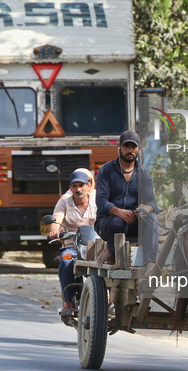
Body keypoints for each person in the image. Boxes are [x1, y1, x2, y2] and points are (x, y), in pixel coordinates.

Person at [95, 130, 159, 277]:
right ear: (119, 147)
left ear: (138, 149)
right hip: (109, 224)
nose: (130, 150)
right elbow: (101, 202)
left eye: (133, 147)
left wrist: (145, 208)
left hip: (134, 223)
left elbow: (152, 203)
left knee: (153, 217)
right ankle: (111, 249)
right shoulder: (106, 170)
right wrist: (119, 212)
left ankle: (151, 263)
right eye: (126, 146)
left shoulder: (144, 174)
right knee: (117, 222)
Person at [49, 170, 96, 318]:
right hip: (72, 246)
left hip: (96, 247)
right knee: (66, 260)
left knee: (108, 264)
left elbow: (107, 219)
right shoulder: (64, 202)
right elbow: (56, 218)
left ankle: (107, 299)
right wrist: (54, 229)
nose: (78, 189)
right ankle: (67, 303)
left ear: (88, 185)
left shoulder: (98, 201)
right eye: (74, 186)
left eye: (81, 185)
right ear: (70, 187)